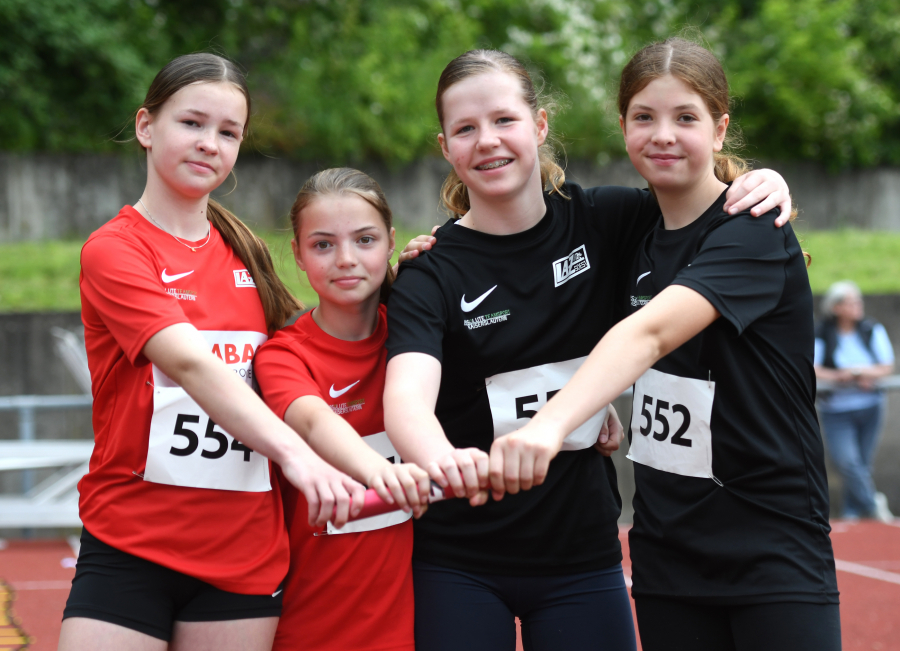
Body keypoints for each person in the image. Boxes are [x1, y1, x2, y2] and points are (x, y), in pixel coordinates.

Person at [382, 48, 793, 651]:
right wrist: (440, 460)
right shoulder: (430, 272)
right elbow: (407, 400)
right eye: (465, 129)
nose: (487, 141)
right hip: (460, 558)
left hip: (584, 558)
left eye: (504, 120)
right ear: (445, 147)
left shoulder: (609, 220)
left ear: (540, 125)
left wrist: (763, 179)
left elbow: (695, 195)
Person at [508, 37, 841, 651]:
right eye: (645, 117)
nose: (663, 134)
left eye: (685, 118)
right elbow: (516, 233)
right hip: (667, 559)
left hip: (771, 553)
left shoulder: (753, 232)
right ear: (623, 126)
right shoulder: (629, 223)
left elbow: (650, 332)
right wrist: (440, 247)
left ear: (719, 130)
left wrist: (549, 425)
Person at [59, 54, 367, 651]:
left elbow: (325, 347)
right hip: (132, 544)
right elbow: (193, 364)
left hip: (243, 558)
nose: (210, 144)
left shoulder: (245, 251)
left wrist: (423, 266)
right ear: (146, 127)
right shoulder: (115, 251)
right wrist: (297, 457)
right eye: (192, 124)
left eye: (228, 133)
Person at [253, 168, 432, 651]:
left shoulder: (418, 340)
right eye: (323, 245)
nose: (346, 260)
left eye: (365, 240)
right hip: (309, 628)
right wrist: (383, 474)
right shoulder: (282, 355)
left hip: (412, 626)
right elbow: (313, 419)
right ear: (297, 253)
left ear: (392, 242)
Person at [815, 280, 895, 522]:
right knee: (847, 462)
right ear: (836, 307)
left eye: (857, 301)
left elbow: (886, 367)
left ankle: (853, 514)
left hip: (869, 406)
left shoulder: (871, 329)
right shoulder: (822, 331)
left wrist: (860, 373)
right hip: (836, 408)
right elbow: (814, 368)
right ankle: (873, 505)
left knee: (862, 464)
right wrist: (841, 376)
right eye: (850, 302)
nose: (856, 306)